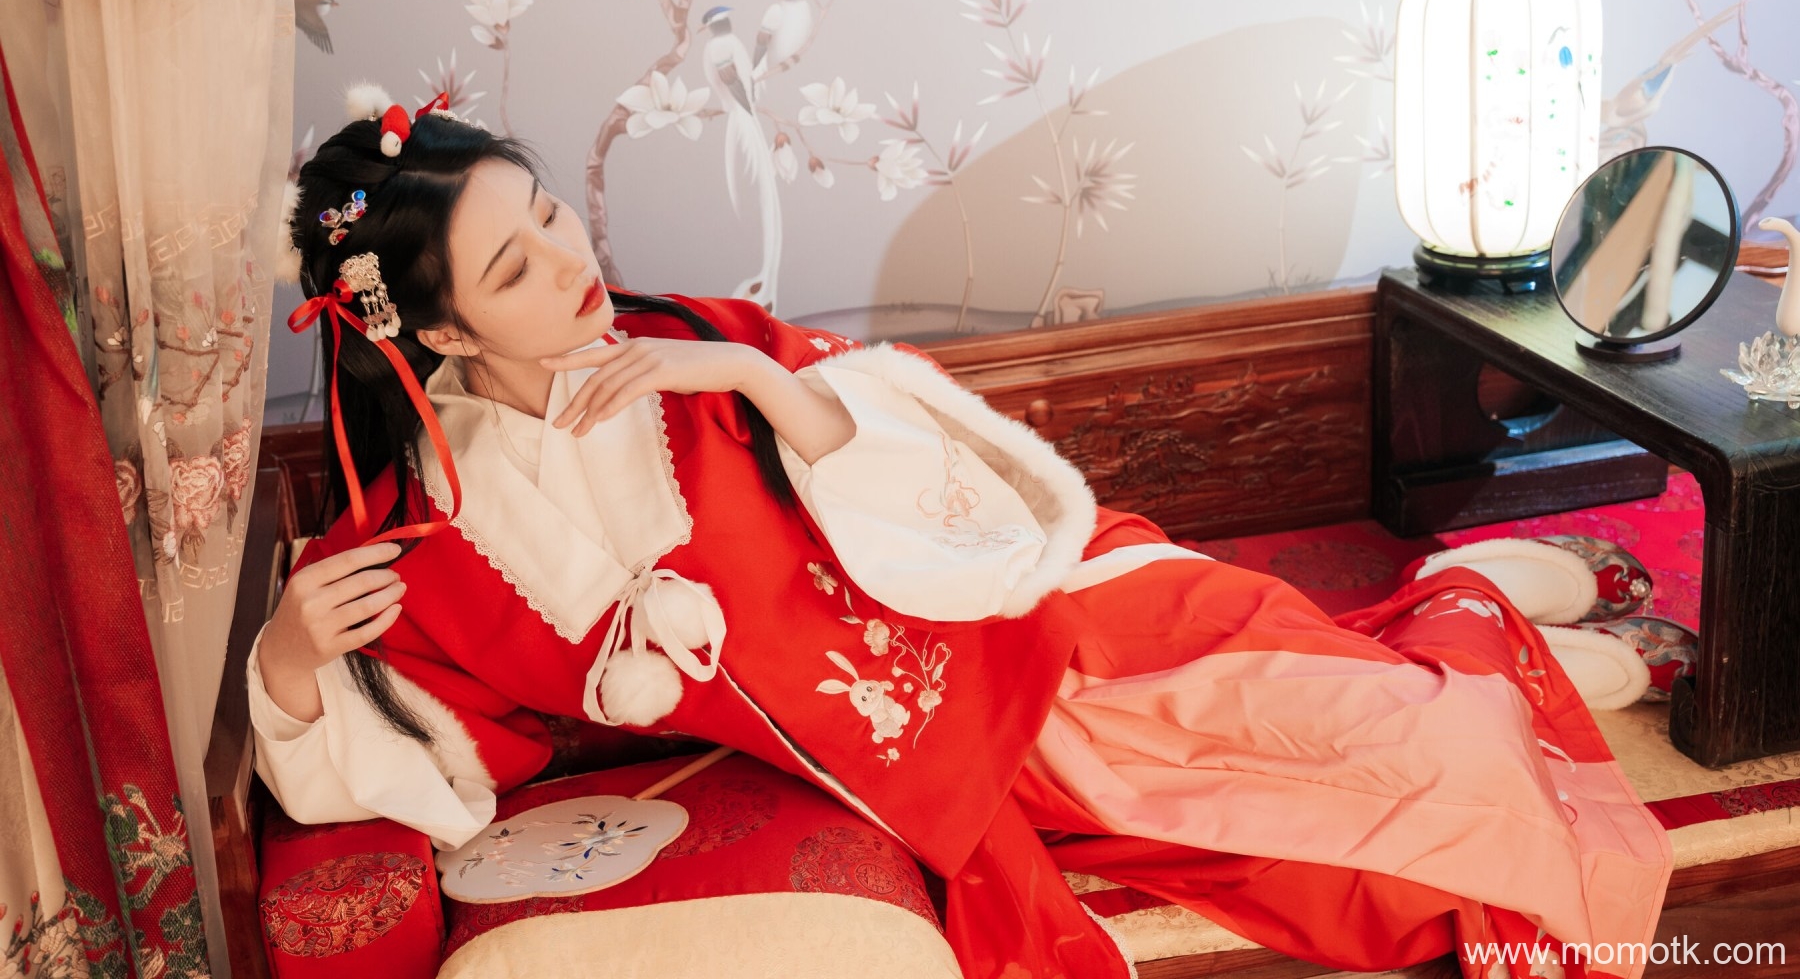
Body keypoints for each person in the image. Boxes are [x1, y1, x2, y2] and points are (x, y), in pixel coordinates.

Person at [251, 85, 1671, 979]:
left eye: (553, 212)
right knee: (1387, 884)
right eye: (515, 267)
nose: (574, 261)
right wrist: (294, 663)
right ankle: (1492, 600)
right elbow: (437, 765)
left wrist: (750, 378)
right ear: (440, 331)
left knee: (1388, 728)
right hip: (957, 764)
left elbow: (959, 490)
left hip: (1053, 616)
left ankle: (1485, 603)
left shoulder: (696, 340)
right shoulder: (432, 544)